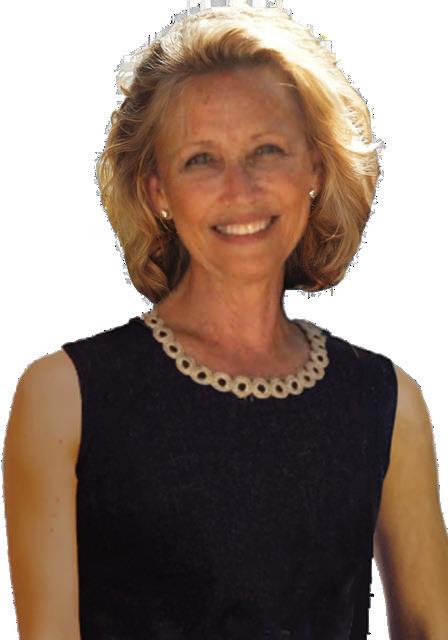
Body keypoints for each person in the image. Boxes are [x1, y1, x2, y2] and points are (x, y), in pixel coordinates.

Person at [3, 3, 447, 639]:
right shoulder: (63, 397)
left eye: (267, 150)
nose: (241, 189)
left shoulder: (386, 402)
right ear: (157, 190)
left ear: (315, 168)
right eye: (201, 159)